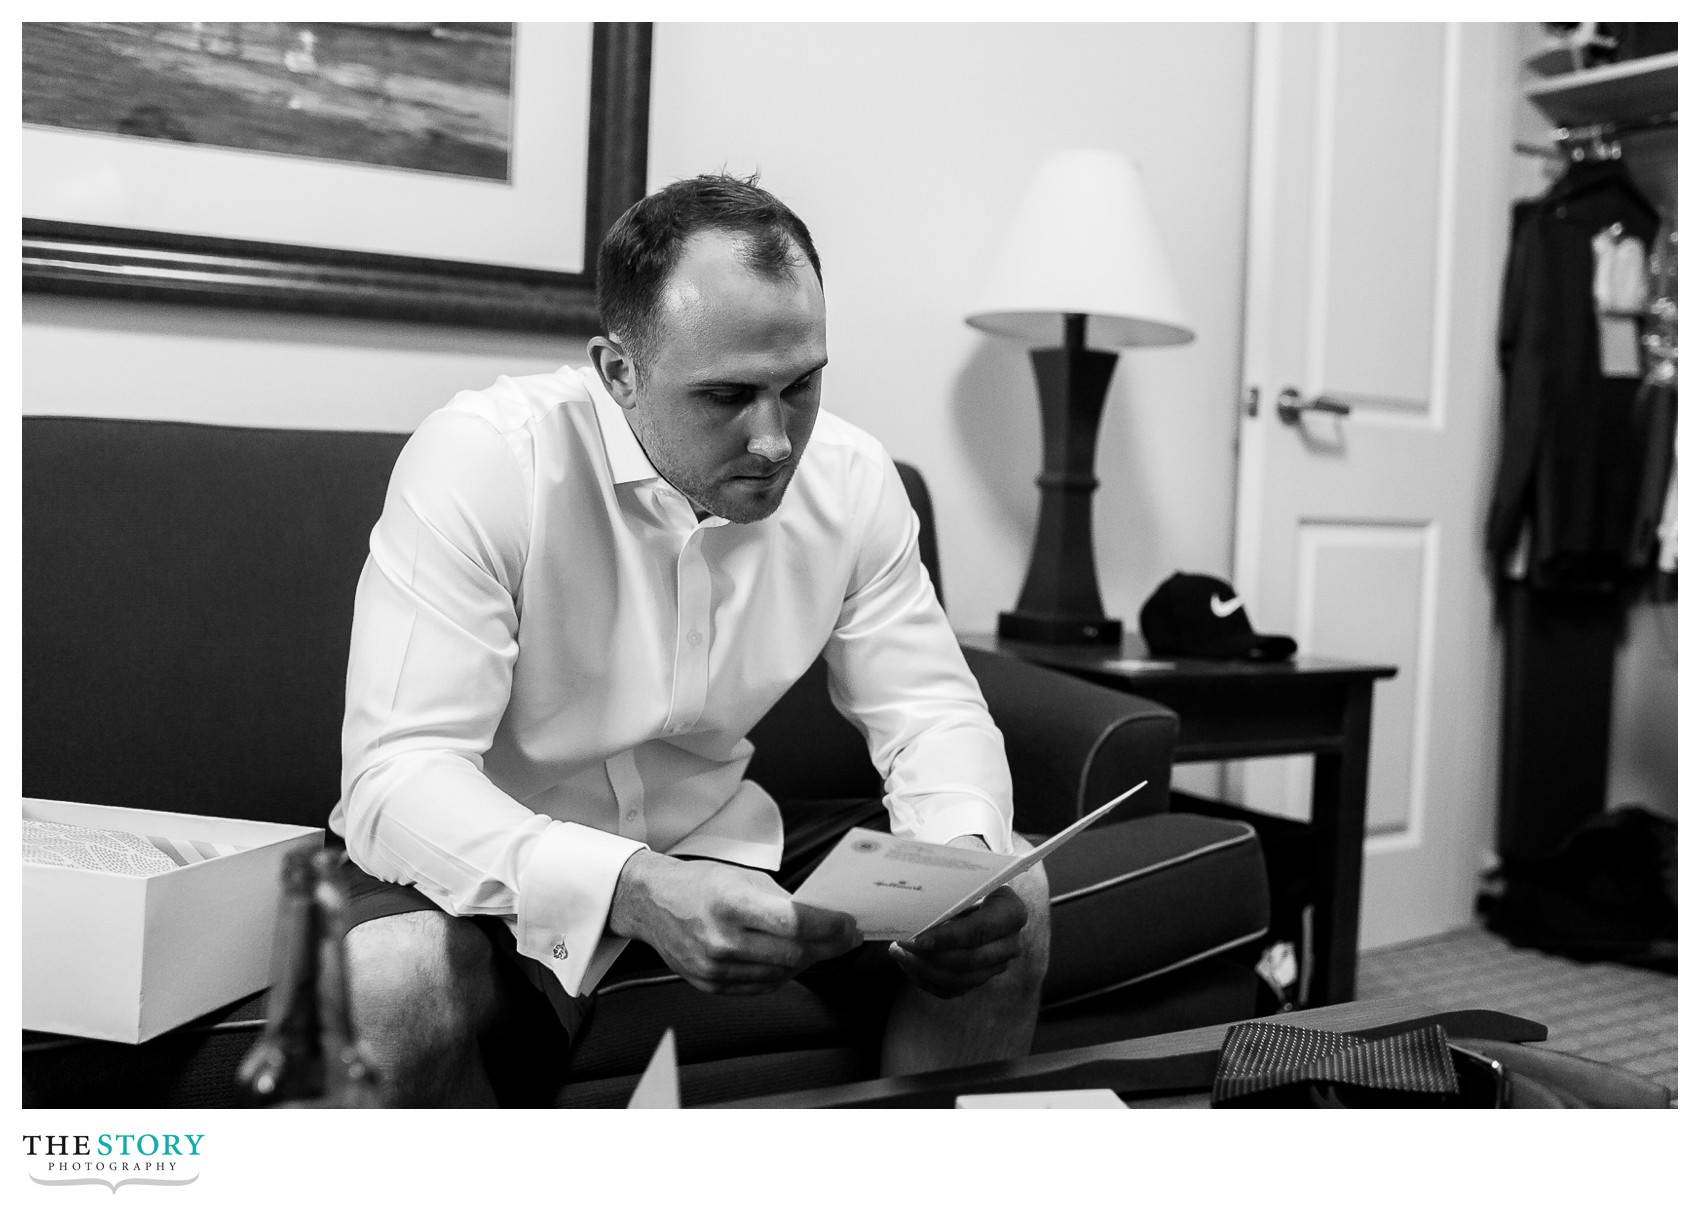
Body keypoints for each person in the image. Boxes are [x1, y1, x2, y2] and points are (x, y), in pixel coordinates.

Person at [329, 173, 1049, 1106]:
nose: (774, 440)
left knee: (1014, 902)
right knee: (387, 984)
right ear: (616, 370)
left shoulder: (855, 480)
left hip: (720, 838)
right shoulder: (484, 461)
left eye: (801, 386)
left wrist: (957, 858)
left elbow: (930, 712)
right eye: (727, 396)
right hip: (498, 861)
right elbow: (396, 777)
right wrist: (630, 886)